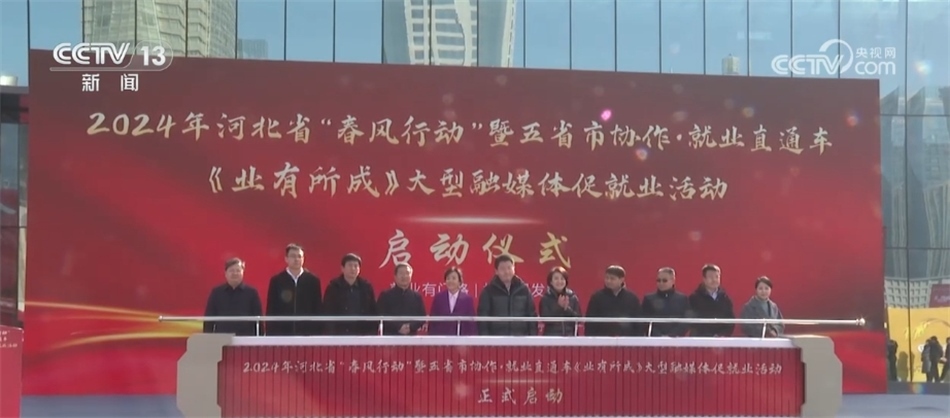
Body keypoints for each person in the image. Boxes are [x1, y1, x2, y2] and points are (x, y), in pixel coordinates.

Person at [265, 244, 323, 336]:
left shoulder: (313, 281)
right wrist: (271, 333)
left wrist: (317, 332)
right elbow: (271, 309)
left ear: (303, 259)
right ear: (286, 259)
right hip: (282, 333)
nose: (296, 259)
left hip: (307, 333)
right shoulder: (277, 280)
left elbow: (317, 308)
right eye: (293, 256)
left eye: (299, 256)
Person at [476, 255, 537, 336]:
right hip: (496, 339)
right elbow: (483, 318)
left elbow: (531, 314)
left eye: (509, 268)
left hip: (521, 338)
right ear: (496, 271)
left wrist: (532, 337)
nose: (507, 272)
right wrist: (486, 339)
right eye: (502, 269)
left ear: (514, 269)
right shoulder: (488, 291)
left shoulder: (523, 290)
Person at [203, 258, 263, 336]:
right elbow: (209, 318)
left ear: (243, 272)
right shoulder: (217, 292)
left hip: (245, 338)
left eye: (238, 270)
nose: (235, 273)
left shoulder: (252, 293)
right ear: (225, 273)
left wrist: (260, 338)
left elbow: (259, 318)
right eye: (231, 270)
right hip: (222, 338)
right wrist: (207, 337)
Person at [322, 253, 378, 335]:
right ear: (342, 268)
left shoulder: (366, 287)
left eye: (356, 266)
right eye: (350, 265)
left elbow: (373, 311)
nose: (353, 268)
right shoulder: (333, 287)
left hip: (362, 333)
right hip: (339, 333)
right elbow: (327, 311)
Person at [585, 265, 642, 336]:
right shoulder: (597, 297)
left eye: (612, 279)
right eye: (607, 278)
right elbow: (590, 322)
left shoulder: (632, 298)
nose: (608, 281)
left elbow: (638, 323)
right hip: (602, 338)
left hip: (626, 339)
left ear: (622, 279)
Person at [376, 263, 426, 336]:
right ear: (395, 277)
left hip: (411, 337)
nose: (404, 276)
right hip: (390, 337)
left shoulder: (416, 297)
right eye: (401, 273)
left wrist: (410, 327)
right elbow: (380, 315)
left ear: (411, 276)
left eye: (407, 273)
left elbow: (422, 317)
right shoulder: (385, 295)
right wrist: (398, 327)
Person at [688, 264, 735, 337]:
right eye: (711, 277)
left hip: (721, 340)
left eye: (717, 277)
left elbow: (730, 321)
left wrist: (722, 335)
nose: (714, 280)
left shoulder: (725, 299)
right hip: (700, 339)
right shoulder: (694, 298)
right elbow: (692, 321)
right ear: (704, 279)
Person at [428, 267, 477, 336]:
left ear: (459, 281)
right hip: (441, 338)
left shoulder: (467, 299)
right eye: (448, 278)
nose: (450, 281)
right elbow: (433, 322)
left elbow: (471, 323)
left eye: (454, 278)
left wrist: (469, 339)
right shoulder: (438, 298)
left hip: (461, 339)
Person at [641, 267, 689, 337]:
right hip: (654, 339)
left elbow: (686, 321)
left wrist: (673, 335)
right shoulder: (649, 299)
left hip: (676, 340)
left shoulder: (682, 299)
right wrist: (658, 335)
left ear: (673, 281)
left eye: (664, 280)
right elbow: (644, 321)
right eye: (658, 280)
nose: (661, 283)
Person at [538, 266, 582, 336]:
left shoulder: (572, 297)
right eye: (556, 278)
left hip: (570, 337)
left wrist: (567, 309)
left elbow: (579, 319)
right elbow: (545, 319)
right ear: (551, 282)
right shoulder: (546, 298)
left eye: (562, 279)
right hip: (552, 337)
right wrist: (559, 307)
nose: (559, 281)